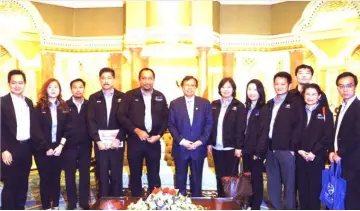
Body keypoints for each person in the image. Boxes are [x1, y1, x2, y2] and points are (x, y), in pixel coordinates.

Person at [1, 70, 48, 210]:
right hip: (9, 149)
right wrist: (3, 150)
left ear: (24, 84)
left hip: (26, 148)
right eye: (14, 82)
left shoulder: (28, 101)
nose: (17, 86)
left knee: (23, 183)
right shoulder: (2, 102)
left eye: (20, 83)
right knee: (10, 184)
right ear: (9, 83)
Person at [117, 68, 168, 197]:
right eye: (144, 78)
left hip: (154, 142)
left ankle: (156, 202)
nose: (147, 81)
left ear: (153, 80)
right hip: (135, 141)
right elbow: (121, 116)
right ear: (139, 80)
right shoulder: (129, 95)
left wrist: (159, 135)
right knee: (135, 174)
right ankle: (136, 202)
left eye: (150, 78)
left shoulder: (160, 96)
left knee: (154, 175)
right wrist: (136, 130)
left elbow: (165, 119)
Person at [168, 76, 213, 197]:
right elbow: (171, 125)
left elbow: (209, 124)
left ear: (196, 87)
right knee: (180, 180)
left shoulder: (205, 103)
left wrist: (200, 141)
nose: (189, 88)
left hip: (198, 148)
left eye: (192, 85)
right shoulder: (174, 103)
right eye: (187, 85)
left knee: (197, 181)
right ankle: (180, 205)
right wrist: (182, 141)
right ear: (182, 87)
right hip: (181, 148)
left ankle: (197, 203)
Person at [266, 72, 303, 210]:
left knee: (290, 185)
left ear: (289, 85)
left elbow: (299, 126)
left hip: (287, 150)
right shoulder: (270, 103)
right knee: (273, 183)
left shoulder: (296, 103)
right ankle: (276, 208)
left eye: (283, 84)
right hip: (270, 149)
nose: (279, 87)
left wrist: (293, 148)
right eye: (277, 84)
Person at [87, 67, 126, 198]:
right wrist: (97, 140)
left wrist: (119, 138)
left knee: (116, 174)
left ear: (114, 79)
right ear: (99, 80)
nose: (106, 81)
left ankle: (117, 202)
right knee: (102, 175)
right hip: (100, 144)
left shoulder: (123, 97)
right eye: (103, 78)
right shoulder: (93, 98)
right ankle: (103, 202)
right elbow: (90, 121)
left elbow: (126, 121)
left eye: (109, 78)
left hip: (117, 143)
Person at [34, 78, 71, 210]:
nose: (53, 89)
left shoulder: (64, 107)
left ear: (59, 90)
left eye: (56, 87)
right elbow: (36, 130)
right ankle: (45, 206)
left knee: (56, 178)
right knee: (45, 178)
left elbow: (68, 129)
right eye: (50, 87)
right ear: (45, 90)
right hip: (42, 150)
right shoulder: (39, 107)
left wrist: (61, 146)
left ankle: (55, 205)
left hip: (59, 149)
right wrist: (47, 148)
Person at [296, 83, 334, 210]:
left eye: (314, 94)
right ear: (303, 95)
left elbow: (328, 136)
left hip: (317, 157)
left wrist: (313, 152)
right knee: (302, 189)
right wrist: (299, 150)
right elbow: (293, 132)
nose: (310, 97)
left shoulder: (324, 112)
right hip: (300, 155)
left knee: (314, 189)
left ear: (319, 96)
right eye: (307, 94)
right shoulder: (299, 111)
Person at [207, 77, 245, 197]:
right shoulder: (214, 104)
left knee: (231, 177)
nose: (226, 89)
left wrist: (239, 147)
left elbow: (241, 128)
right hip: (216, 147)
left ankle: (230, 202)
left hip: (231, 148)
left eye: (229, 87)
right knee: (219, 175)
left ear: (233, 89)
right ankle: (221, 200)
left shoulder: (239, 106)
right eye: (223, 87)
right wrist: (209, 142)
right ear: (219, 89)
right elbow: (209, 125)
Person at [329, 72, 360, 209]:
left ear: (355, 87)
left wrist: (340, 152)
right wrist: (331, 151)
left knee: (351, 199)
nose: (345, 89)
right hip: (339, 160)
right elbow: (337, 133)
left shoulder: (358, 107)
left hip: (352, 161)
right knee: (340, 196)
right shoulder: (342, 106)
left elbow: (356, 135)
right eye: (341, 86)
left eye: (349, 86)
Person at [63, 78, 92, 209]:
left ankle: (84, 202)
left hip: (86, 146)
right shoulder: (64, 105)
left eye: (80, 87)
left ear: (84, 89)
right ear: (71, 89)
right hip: (69, 147)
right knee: (69, 176)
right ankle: (72, 202)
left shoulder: (90, 104)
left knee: (85, 175)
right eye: (75, 87)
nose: (78, 89)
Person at [242, 79, 269, 210]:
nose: (252, 92)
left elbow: (264, 132)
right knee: (247, 179)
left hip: (256, 152)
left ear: (260, 92)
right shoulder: (246, 107)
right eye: (249, 89)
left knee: (257, 180)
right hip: (246, 150)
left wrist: (258, 152)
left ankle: (256, 206)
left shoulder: (263, 108)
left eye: (255, 89)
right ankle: (250, 203)